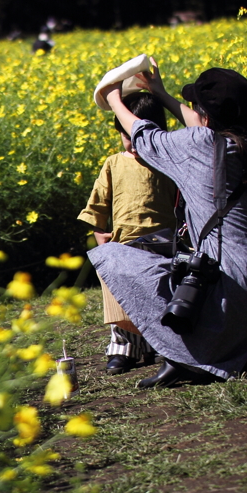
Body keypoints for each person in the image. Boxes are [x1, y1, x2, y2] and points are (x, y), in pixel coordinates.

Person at [91, 61, 247, 388]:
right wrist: (159, 93)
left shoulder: (198, 147)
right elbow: (207, 127)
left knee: (112, 256)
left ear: (204, 116)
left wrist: (114, 100)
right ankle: (238, 348)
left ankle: (189, 354)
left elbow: (145, 137)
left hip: (231, 296)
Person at [78, 91, 178, 375]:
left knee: (160, 294)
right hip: (124, 243)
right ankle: (125, 349)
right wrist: (101, 235)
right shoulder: (113, 163)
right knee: (121, 295)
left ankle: (162, 344)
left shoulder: (167, 161)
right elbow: (97, 204)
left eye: (139, 136)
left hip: (164, 243)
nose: (133, 144)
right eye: (126, 136)